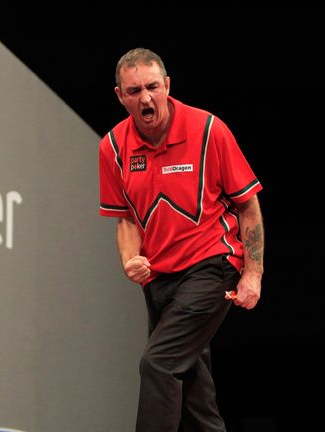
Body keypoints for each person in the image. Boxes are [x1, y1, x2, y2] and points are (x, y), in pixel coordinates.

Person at [98, 48, 265, 432]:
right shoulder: (113, 148)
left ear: (168, 86)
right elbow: (125, 219)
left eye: (153, 87)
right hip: (160, 280)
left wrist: (253, 273)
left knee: (158, 364)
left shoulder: (208, 130)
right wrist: (129, 260)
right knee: (193, 393)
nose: (146, 98)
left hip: (211, 266)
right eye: (134, 90)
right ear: (120, 96)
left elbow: (248, 206)